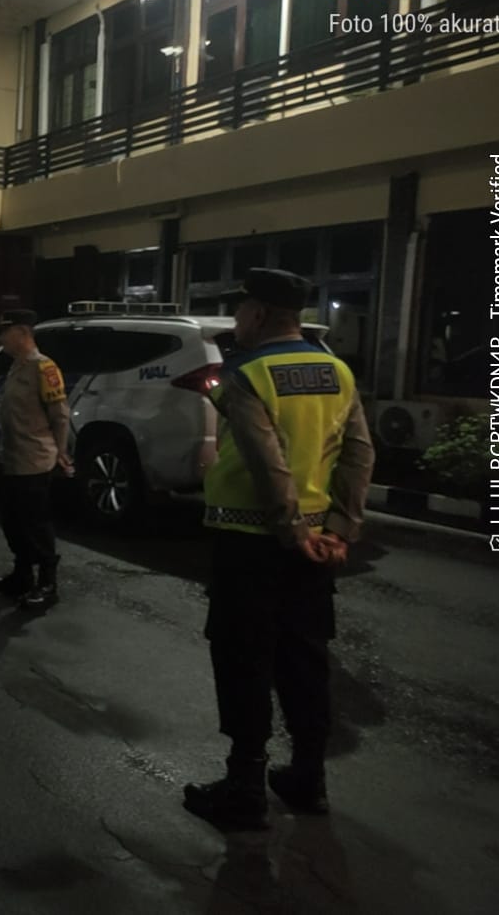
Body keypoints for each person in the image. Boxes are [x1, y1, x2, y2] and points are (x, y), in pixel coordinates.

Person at [183, 268, 374, 831]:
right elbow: (359, 453)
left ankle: (244, 787)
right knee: (305, 659)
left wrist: (292, 531)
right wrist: (339, 530)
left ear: (260, 314)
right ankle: (308, 778)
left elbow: (268, 463)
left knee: (243, 659)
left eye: (241, 311)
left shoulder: (248, 374)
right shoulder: (338, 371)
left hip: (252, 545)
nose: (237, 320)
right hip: (317, 548)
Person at [0, 309, 72, 610]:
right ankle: (22, 576)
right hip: (14, 457)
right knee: (12, 521)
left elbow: (60, 416)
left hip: (35, 459)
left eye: (5, 333)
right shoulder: (17, 366)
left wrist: (61, 452)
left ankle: (48, 583)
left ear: (22, 332)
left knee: (35, 523)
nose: (0, 339)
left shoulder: (43, 367)